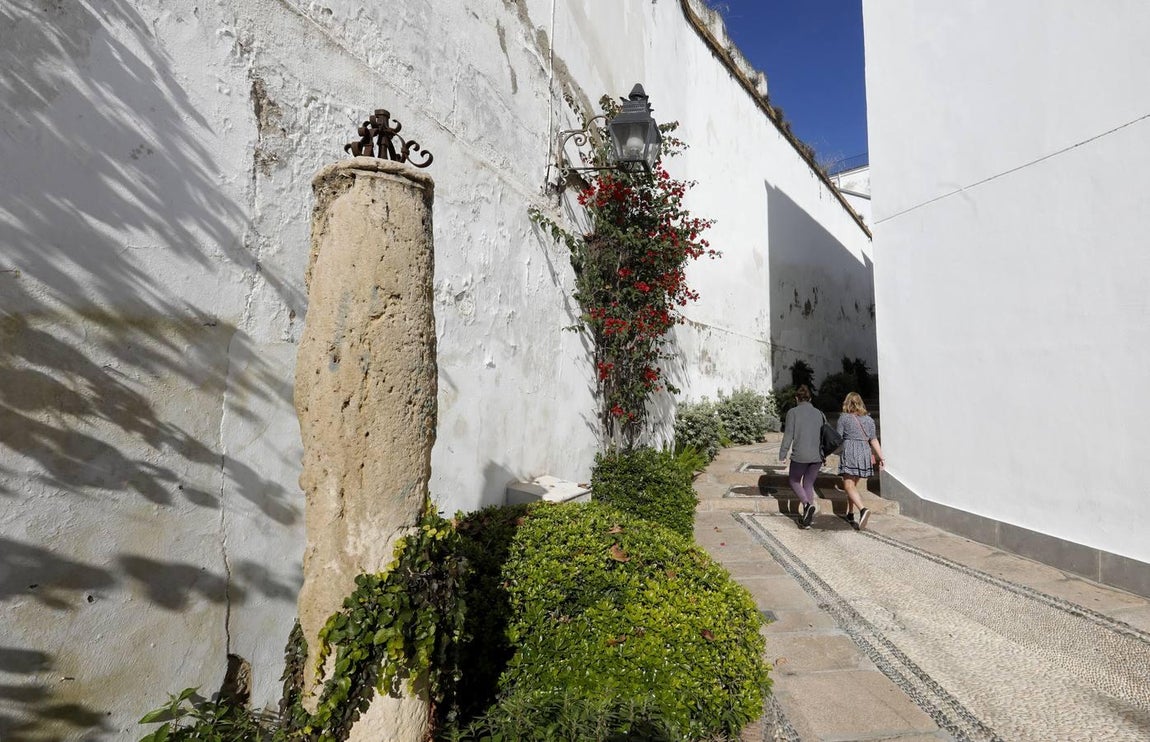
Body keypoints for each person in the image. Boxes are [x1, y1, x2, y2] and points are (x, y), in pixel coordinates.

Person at [778, 385, 825, 529]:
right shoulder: (819, 413)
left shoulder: (793, 412)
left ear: (796, 398)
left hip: (800, 455)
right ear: (810, 398)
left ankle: (807, 504)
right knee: (808, 484)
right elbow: (824, 435)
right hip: (817, 456)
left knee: (794, 480)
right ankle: (807, 520)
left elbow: (788, 435)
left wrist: (783, 453)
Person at [836, 392, 885, 530]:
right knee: (852, 486)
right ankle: (850, 513)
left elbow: (838, 438)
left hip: (850, 451)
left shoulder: (844, 418)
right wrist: (881, 457)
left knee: (848, 486)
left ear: (847, 403)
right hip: (864, 451)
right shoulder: (869, 420)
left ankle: (863, 509)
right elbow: (873, 439)